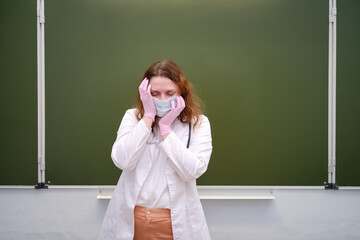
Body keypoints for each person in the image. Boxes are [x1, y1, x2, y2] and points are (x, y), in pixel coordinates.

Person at [97, 59, 213, 240]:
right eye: (155, 93)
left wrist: (166, 129)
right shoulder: (133, 118)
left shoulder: (198, 123)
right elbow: (123, 161)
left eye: (170, 93)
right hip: (131, 220)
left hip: (175, 222)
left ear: (181, 92)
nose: (162, 99)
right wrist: (149, 117)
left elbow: (192, 171)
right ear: (145, 93)